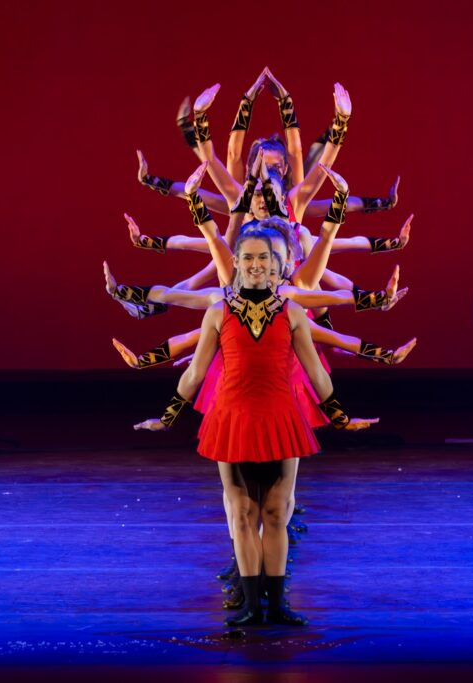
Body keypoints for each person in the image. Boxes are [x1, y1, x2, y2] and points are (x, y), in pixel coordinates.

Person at [134, 228, 376, 627]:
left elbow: (316, 373)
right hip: (230, 417)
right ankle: (250, 604)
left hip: (283, 416)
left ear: (278, 265)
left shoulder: (293, 312)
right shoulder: (218, 312)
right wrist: (167, 416)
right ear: (236, 264)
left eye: (263, 257)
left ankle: (278, 604)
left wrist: (341, 418)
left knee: (277, 511)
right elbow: (195, 373)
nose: (255, 265)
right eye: (247, 258)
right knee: (243, 512)